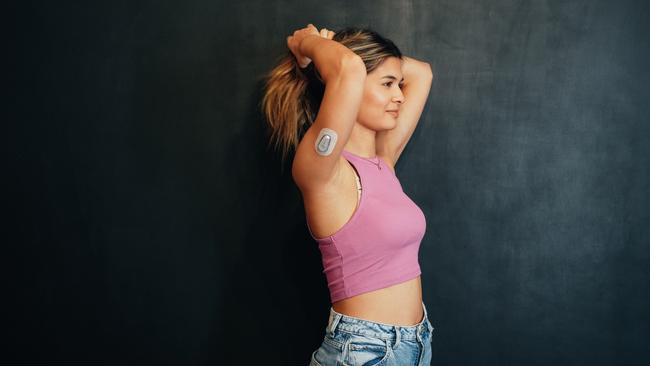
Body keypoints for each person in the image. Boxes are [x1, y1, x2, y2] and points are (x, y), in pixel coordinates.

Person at [262, 23, 435, 366]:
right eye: (387, 85)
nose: (400, 95)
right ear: (350, 89)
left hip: (416, 343)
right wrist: (307, 44)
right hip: (364, 351)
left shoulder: (383, 162)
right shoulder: (322, 170)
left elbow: (421, 73)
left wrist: (340, 53)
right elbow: (349, 69)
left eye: (398, 86)